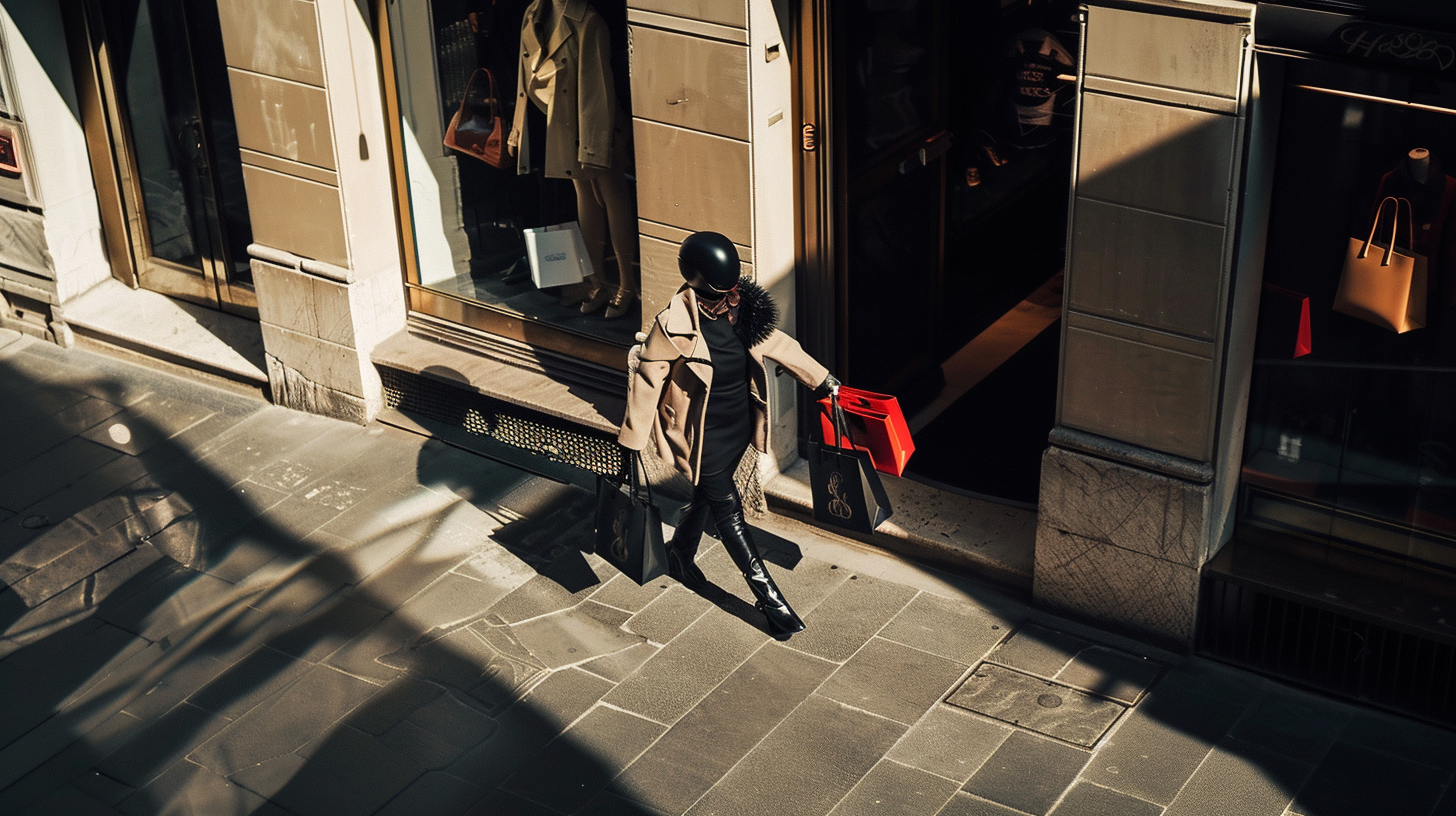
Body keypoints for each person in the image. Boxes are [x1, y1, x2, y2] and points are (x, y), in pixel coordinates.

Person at [618, 231, 839, 638]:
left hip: (738, 424)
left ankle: (681, 554)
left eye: (733, 291)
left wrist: (822, 380)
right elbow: (648, 379)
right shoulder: (673, 324)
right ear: (697, 283)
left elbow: (780, 345)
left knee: (708, 496)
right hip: (701, 435)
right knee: (728, 509)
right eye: (721, 294)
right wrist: (631, 441)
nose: (730, 299)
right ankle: (770, 599)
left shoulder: (743, 307)